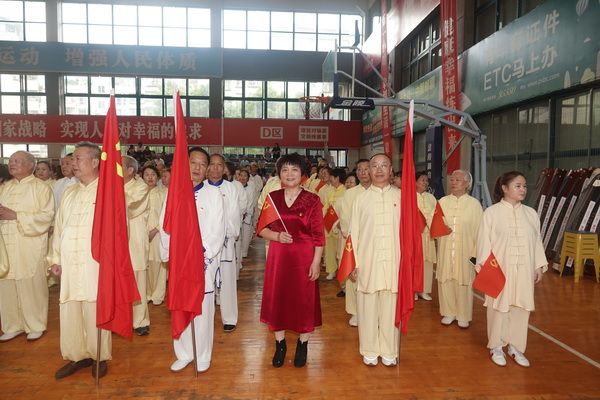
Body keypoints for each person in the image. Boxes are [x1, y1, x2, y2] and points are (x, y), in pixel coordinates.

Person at [160, 146, 225, 373]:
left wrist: (201, 253)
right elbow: (164, 225)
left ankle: (203, 354)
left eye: (202, 164)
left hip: (202, 262)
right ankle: (184, 353)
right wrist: (170, 254)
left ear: (207, 169)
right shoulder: (174, 193)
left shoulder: (214, 195)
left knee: (202, 309)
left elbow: (218, 229)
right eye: (193, 163)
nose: (197, 168)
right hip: (179, 262)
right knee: (180, 306)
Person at [49, 142, 111, 379]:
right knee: (70, 308)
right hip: (69, 261)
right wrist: (55, 258)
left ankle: (99, 356)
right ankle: (77, 355)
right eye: (72, 159)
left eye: (78, 158)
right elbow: (60, 227)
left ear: (95, 162)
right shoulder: (69, 192)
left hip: (95, 263)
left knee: (95, 307)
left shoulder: (107, 191)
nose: (72, 163)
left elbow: (117, 231)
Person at [258, 153, 324, 368]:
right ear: (279, 174)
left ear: (302, 173)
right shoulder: (272, 198)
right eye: (285, 170)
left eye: (294, 169)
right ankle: (280, 345)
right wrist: (276, 236)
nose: (289, 174)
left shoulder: (312, 200)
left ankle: (303, 345)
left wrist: (316, 262)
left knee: (304, 300)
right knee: (278, 298)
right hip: (278, 256)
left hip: (304, 258)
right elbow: (261, 229)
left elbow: (318, 236)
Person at [476, 171, 547, 367]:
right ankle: (496, 346)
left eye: (524, 186)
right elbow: (483, 243)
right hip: (499, 270)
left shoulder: (531, 214)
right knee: (498, 309)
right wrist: (485, 269)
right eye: (518, 186)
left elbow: (537, 241)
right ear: (504, 188)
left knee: (521, 308)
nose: (523, 189)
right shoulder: (491, 213)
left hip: (524, 270)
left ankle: (516, 347)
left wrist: (538, 265)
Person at [349, 154, 400, 366]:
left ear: (391, 170)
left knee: (391, 308)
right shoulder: (360, 200)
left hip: (394, 262)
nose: (379, 170)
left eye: (384, 166)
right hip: (367, 261)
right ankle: (369, 349)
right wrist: (353, 263)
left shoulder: (402, 197)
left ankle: (389, 350)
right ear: (369, 171)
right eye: (374, 166)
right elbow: (353, 233)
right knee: (367, 308)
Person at [0, 151, 54, 342]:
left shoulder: (41, 188)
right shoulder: (4, 188)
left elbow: (46, 217)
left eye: (17, 161)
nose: (12, 164)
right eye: (10, 161)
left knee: (31, 286)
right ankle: (12, 325)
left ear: (31, 165)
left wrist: (16, 215)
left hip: (29, 244)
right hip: (5, 245)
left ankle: (35, 324)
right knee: (7, 286)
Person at [436, 170, 483, 329]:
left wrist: (476, 255)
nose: (453, 182)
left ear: (467, 184)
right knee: (445, 279)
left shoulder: (474, 205)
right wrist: (441, 229)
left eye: (458, 180)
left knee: (464, 282)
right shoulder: (442, 202)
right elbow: (434, 224)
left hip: (466, 250)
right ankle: (448, 312)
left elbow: (480, 231)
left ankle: (463, 315)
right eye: (452, 179)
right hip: (446, 248)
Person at [207, 154, 244, 332]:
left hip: (226, 242)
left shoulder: (231, 188)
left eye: (219, 165)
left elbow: (234, 215)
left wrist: (226, 235)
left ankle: (229, 318)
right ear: (207, 167)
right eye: (212, 164)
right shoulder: (201, 187)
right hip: (205, 246)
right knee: (207, 284)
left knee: (227, 281)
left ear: (224, 169)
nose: (215, 168)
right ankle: (205, 317)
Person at [335, 159, 370, 326]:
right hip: (353, 242)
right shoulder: (350, 194)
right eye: (359, 169)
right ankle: (355, 311)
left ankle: (370, 311)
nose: (363, 172)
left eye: (366, 169)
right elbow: (345, 220)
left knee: (371, 277)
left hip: (373, 244)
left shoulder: (379, 192)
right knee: (353, 277)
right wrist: (357, 238)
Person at [122, 155, 151, 336]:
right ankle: (121, 319)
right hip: (116, 241)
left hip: (135, 240)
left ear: (130, 170)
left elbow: (130, 208)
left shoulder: (141, 187)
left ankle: (140, 321)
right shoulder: (109, 186)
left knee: (138, 279)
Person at [142, 165, 167, 306]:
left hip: (158, 234)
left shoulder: (164, 193)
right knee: (144, 263)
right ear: (142, 177)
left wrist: (155, 230)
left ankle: (157, 295)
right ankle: (146, 293)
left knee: (159, 264)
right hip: (141, 234)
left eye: (153, 174)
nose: (150, 177)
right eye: (147, 174)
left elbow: (166, 215)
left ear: (157, 177)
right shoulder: (139, 194)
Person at [415, 171, 436, 301]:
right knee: (415, 262)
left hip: (429, 235)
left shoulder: (431, 198)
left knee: (427, 262)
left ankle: (424, 290)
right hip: (416, 235)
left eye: (426, 180)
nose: (425, 182)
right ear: (415, 182)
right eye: (422, 180)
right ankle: (413, 290)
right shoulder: (409, 196)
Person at [323, 168, 346, 280]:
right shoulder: (330, 190)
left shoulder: (345, 191)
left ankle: (342, 271)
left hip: (339, 224)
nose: (330, 179)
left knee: (340, 249)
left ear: (337, 178)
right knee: (329, 249)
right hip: (328, 222)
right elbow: (326, 205)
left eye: (331, 177)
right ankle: (331, 270)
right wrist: (324, 217)